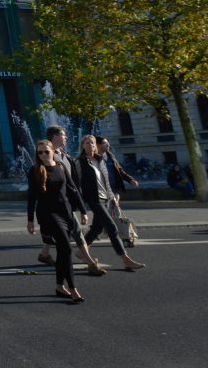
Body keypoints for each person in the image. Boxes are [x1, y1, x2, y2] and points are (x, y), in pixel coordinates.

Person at [38, 126, 104, 275]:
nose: (66, 137)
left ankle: (44, 254)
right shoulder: (47, 156)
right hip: (57, 202)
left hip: (68, 200)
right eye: (63, 135)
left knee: (65, 232)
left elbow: (72, 184)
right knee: (76, 230)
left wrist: (81, 206)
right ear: (54, 137)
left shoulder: (65, 155)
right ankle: (90, 263)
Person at [73, 135, 145, 271]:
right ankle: (126, 260)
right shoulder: (79, 162)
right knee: (112, 228)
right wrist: (81, 205)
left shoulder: (100, 160)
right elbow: (76, 183)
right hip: (93, 199)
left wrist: (112, 198)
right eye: (87, 143)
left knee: (97, 228)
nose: (90, 145)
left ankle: (81, 252)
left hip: (105, 198)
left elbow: (106, 182)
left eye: (92, 143)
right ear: (82, 145)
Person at [28, 139, 86, 302]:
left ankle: (60, 286)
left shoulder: (60, 167)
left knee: (62, 251)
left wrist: (82, 210)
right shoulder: (35, 170)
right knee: (67, 248)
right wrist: (30, 220)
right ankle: (73, 288)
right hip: (48, 214)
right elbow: (31, 197)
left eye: (46, 151)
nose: (43, 155)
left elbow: (72, 189)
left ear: (53, 151)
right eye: (40, 152)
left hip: (66, 212)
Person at [97, 138, 137, 243]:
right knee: (106, 215)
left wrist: (130, 179)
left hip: (114, 190)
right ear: (98, 145)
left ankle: (124, 237)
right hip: (102, 192)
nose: (108, 144)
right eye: (105, 143)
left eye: (107, 142)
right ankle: (97, 232)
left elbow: (120, 171)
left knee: (116, 213)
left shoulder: (110, 156)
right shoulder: (95, 159)